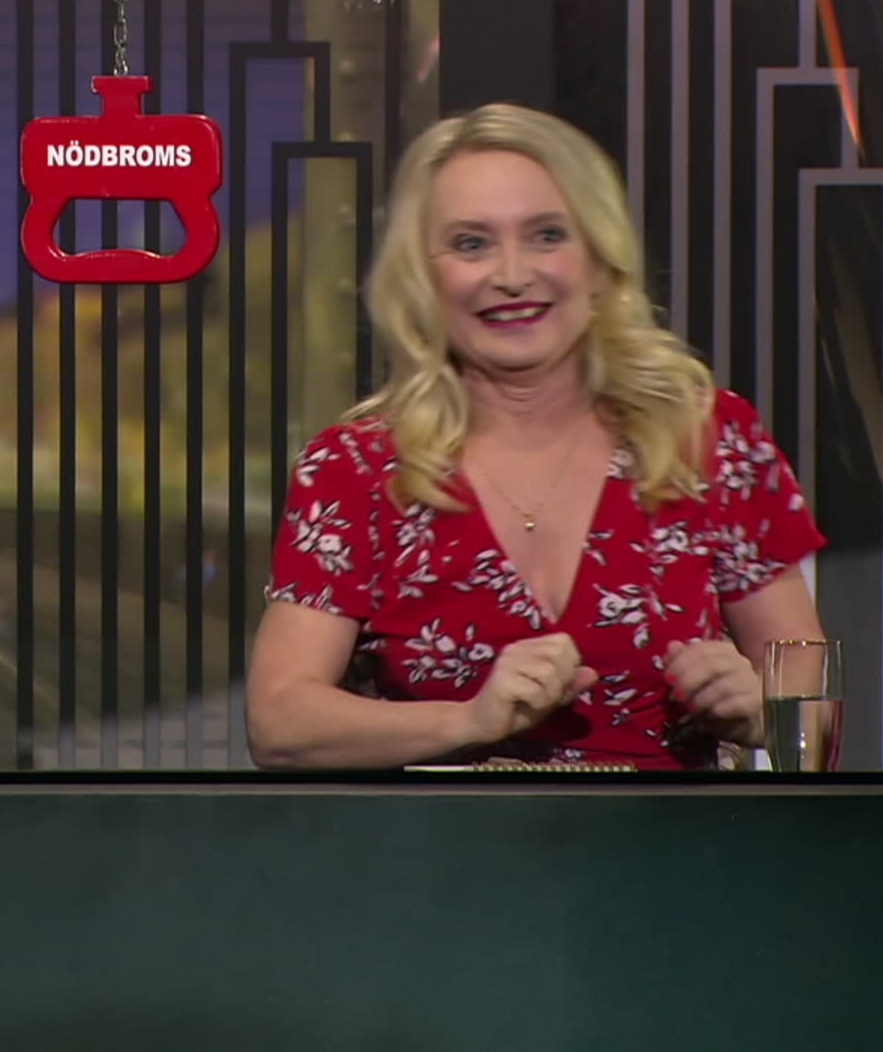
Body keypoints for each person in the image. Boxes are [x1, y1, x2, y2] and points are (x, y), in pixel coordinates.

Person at [247, 103, 826, 770]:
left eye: (547, 235)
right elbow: (280, 722)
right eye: (471, 244)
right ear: (421, 278)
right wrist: (468, 721)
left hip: (675, 836)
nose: (513, 275)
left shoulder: (708, 439)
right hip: (441, 836)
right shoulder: (355, 469)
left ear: (600, 259)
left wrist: (764, 712)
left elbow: (815, 720)